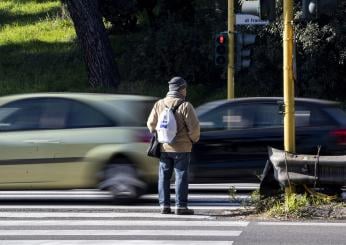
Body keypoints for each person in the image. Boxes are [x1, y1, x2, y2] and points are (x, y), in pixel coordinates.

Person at [147, 77, 200, 215]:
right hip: (182, 148)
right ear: (181, 89)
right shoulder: (185, 106)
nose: (186, 91)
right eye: (185, 88)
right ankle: (181, 206)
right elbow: (194, 129)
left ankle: (164, 206)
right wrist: (193, 140)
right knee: (181, 176)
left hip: (164, 147)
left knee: (164, 176)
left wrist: (160, 135)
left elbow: (151, 124)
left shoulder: (159, 104)